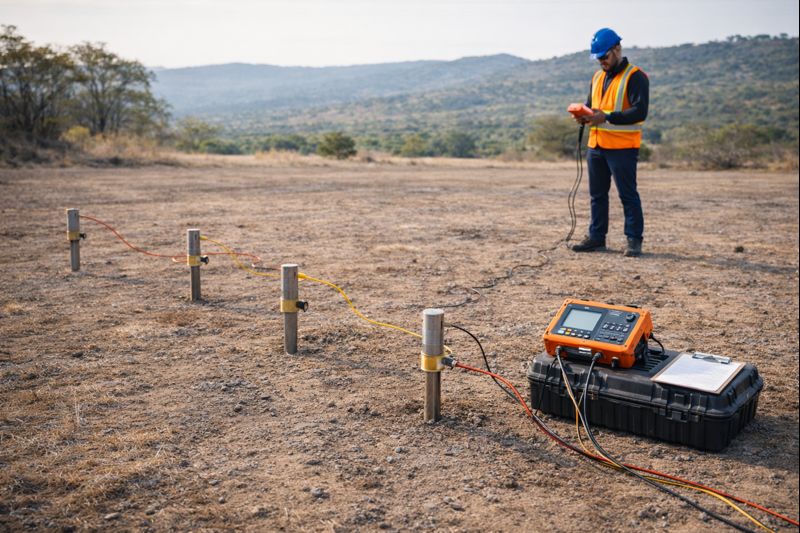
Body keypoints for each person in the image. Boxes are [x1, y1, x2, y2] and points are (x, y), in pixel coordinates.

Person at [572, 28, 649, 257]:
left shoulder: (635, 76)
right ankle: (597, 237)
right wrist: (584, 116)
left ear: (617, 49)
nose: (601, 62)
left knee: (628, 195)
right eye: (597, 58)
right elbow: (592, 106)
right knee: (597, 195)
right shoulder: (597, 77)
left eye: (604, 56)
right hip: (596, 146)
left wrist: (606, 116)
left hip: (623, 148)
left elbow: (639, 112)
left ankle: (634, 240)